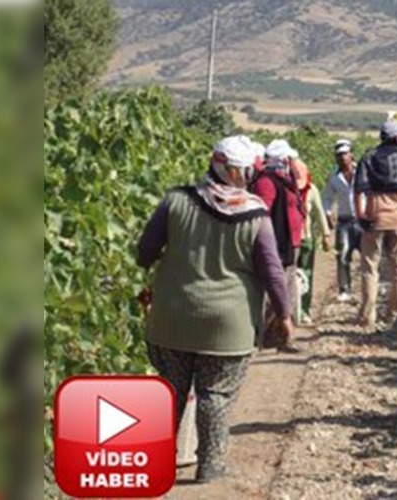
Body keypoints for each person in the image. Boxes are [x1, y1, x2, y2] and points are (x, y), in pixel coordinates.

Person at [136, 135, 295, 481]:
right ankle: (210, 465)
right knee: (216, 395)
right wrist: (284, 315)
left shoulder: (175, 201)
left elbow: (143, 253)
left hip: (172, 317)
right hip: (229, 325)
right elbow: (271, 270)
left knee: (169, 392)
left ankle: (155, 462)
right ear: (229, 169)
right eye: (242, 171)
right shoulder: (255, 214)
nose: (246, 177)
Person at [353, 120, 397, 329]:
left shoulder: (368, 156)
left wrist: (360, 216)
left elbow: (358, 190)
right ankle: (394, 314)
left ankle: (368, 316)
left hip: (374, 216)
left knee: (370, 268)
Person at [251, 139, 306, 351]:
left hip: (290, 243)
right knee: (275, 289)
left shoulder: (285, 180)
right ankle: (266, 336)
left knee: (288, 288)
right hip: (276, 243)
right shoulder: (267, 182)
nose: (292, 162)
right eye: (289, 158)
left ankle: (282, 336)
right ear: (282, 159)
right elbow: (263, 212)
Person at [292, 157, 331, 326]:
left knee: (306, 275)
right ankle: (291, 311)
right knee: (289, 276)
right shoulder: (287, 189)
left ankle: (304, 310)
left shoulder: (312, 190)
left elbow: (319, 213)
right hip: (290, 241)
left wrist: (326, 235)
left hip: (306, 239)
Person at [323, 139, 359, 302]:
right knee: (343, 255)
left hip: (362, 219)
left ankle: (368, 288)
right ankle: (345, 288)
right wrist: (327, 213)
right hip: (344, 220)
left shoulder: (363, 171)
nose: (342, 157)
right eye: (339, 155)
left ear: (352, 154)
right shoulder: (333, 175)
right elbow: (327, 197)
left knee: (368, 256)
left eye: (345, 153)